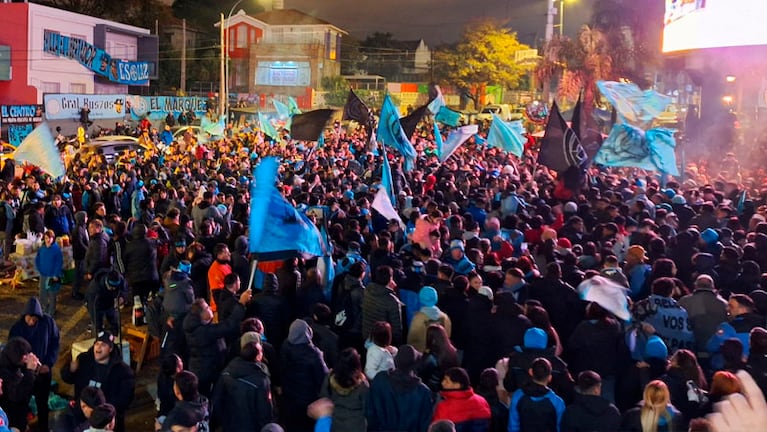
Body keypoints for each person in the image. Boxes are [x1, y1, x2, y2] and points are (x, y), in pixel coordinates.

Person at [61, 331, 135, 432]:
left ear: (111, 349)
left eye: (103, 345)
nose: (98, 347)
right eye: (97, 344)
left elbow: (125, 399)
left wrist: (101, 412)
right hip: (82, 418)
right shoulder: (84, 360)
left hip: (106, 423)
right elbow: (67, 379)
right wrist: (70, 370)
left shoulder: (122, 371)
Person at [183, 293, 250, 397]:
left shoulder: (196, 324)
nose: (210, 308)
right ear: (201, 314)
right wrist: (241, 304)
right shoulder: (202, 332)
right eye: (207, 308)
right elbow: (229, 325)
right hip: (207, 372)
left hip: (207, 368)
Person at [8, 297, 60, 432]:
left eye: (35, 319)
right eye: (29, 318)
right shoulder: (16, 329)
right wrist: (27, 367)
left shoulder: (48, 323)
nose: (32, 321)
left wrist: (48, 364)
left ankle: (44, 428)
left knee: (42, 403)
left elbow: (55, 343)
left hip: (43, 374)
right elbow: (12, 353)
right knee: (22, 404)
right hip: (24, 375)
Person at [211, 334, 274, 431]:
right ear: (257, 357)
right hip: (251, 427)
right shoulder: (261, 381)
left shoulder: (227, 372)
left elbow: (217, 399)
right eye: (261, 351)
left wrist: (221, 422)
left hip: (229, 424)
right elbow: (264, 410)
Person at [366, 345, 433, 432]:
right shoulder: (423, 393)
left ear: (395, 360)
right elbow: (424, 426)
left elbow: (370, 413)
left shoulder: (380, 380)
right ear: (415, 365)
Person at [280, 319, 329, 432]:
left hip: (290, 397)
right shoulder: (313, 354)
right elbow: (322, 377)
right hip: (308, 399)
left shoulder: (285, 345)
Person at [508, 357, 566, 432]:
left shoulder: (518, 396)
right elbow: (561, 428)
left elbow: (513, 427)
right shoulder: (557, 402)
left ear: (531, 372)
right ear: (550, 378)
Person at [319, 347, 370, 432]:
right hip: (356, 426)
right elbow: (368, 409)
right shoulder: (362, 385)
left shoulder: (330, 378)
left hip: (335, 423)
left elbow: (323, 399)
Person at [432, 367, 491, 431]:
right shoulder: (482, 401)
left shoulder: (444, 407)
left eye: (447, 381)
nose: (443, 383)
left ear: (457, 385)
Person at [0, 337, 39, 431]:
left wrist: (32, 368)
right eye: (24, 355)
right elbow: (16, 396)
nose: (26, 357)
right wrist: (30, 371)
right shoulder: (4, 371)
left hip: (19, 413)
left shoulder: (14, 363)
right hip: (11, 416)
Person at [362, 265, 404, 346]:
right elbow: (397, 328)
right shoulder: (392, 301)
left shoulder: (367, 290)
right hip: (382, 341)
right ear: (390, 278)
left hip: (367, 335)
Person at [407, 286, 452, 353]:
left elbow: (412, 339)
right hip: (440, 352)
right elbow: (448, 335)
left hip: (422, 354)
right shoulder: (445, 317)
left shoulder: (418, 318)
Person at [35, 229, 64, 316]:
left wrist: (55, 274)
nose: (48, 240)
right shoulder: (42, 248)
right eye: (47, 238)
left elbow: (59, 263)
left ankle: (51, 311)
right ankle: (43, 309)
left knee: (52, 294)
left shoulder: (56, 250)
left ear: (53, 238)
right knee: (42, 294)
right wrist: (39, 269)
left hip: (52, 276)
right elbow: (37, 259)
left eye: (50, 238)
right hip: (43, 275)